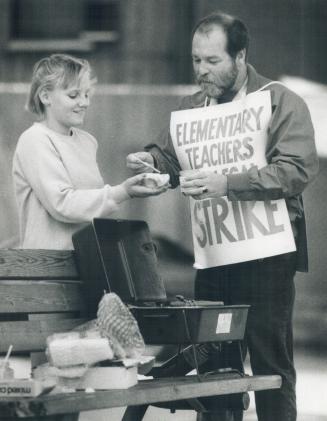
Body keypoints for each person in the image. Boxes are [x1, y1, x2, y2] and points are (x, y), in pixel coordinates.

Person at [127, 11, 319, 421]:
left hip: (268, 257)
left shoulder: (281, 100)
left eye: (212, 61)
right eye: (197, 60)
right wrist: (152, 163)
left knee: (271, 367)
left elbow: (297, 169)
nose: (202, 71)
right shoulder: (191, 106)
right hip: (215, 257)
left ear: (240, 56)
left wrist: (227, 184)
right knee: (213, 367)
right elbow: (171, 157)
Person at [12, 54, 168, 250]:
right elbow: (63, 205)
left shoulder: (87, 141)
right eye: (73, 95)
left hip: (88, 260)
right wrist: (123, 191)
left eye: (86, 94)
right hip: (47, 266)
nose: (84, 102)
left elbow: (90, 207)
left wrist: (128, 190)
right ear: (45, 96)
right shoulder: (34, 140)